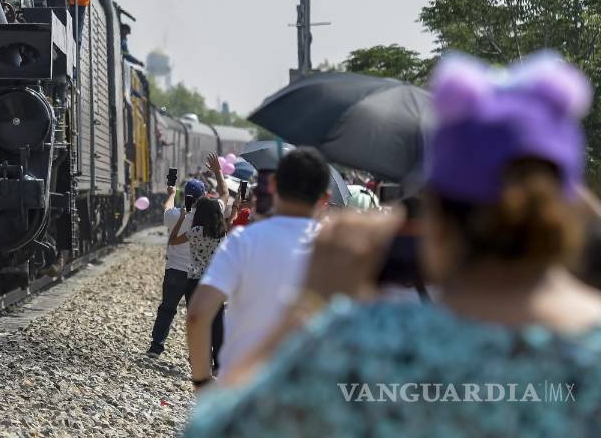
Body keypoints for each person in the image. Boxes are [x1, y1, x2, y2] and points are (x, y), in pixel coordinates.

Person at [186, 51, 601, 436]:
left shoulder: (363, 345)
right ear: (569, 211)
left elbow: (217, 428)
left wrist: (309, 303)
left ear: (434, 218)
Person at [185, 147, 328, 387]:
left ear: (273, 185)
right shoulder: (335, 248)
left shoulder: (243, 240)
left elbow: (198, 315)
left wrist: (201, 381)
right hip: (306, 386)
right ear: (324, 198)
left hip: (242, 386)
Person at [169, 185, 228, 374]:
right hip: (216, 282)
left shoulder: (195, 232)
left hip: (195, 282)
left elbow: (173, 240)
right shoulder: (221, 233)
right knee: (217, 323)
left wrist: (180, 219)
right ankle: (219, 364)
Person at [147, 178, 206, 358]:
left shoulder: (175, 215)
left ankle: (156, 347)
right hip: (196, 273)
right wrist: (218, 173)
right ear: (202, 197)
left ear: (184, 195)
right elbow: (225, 198)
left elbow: (166, 208)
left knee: (167, 308)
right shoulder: (206, 217)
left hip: (174, 271)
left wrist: (171, 194)